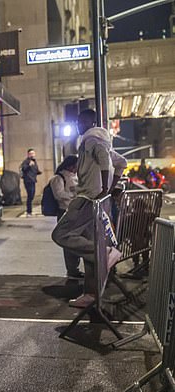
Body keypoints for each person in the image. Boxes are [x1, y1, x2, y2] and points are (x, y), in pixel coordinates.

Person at [52, 109, 126, 308]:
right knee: (88, 243)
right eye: (78, 121)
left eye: (82, 121)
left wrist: (104, 188)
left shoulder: (90, 140)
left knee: (61, 234)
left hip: (87, 199)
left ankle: (106, 252)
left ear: (91, 122)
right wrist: (109, 189)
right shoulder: (103, 141)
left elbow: (103, 158)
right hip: (98, 201)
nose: (79, 125)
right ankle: (91, 294)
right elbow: (122, 163)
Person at [49, 155, 82, 279]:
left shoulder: (77, 177)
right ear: (70, 165)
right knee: (68, 241)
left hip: (77, 211)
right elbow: (58, 194)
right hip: (65, 211)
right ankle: (72, 269)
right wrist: (74, 195)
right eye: (75, 165)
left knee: (77, 240)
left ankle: (75, 268)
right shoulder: (58, 178)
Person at [21, 148, 42, 216]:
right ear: (28, 154)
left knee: (32, 195)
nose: (32, 155)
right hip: (28, 180)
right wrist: (29, 165)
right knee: (30, 195)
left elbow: (35, 169)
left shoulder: (34, 161)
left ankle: (29, 210)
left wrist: (38, 172)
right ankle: (29, 211)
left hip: (33, 180)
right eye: (31, 153)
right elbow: (24, 168)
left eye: (33, 153)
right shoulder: (26, 161)